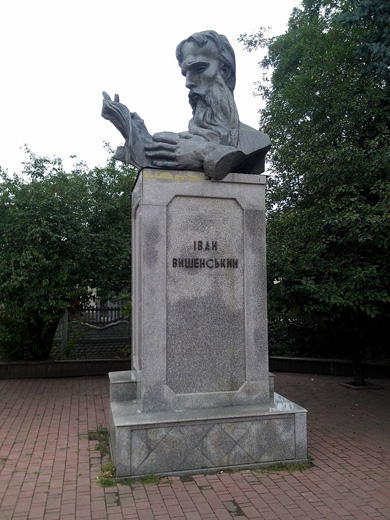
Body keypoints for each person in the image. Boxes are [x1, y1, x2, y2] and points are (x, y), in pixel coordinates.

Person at [102, 30, 270, 180]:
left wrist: (205, 152)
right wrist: (135, 133)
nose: (188, 83)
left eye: (199, 69)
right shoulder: (184, 143)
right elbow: (157, 160)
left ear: (225, 72)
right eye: (185, 74)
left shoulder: (256, 142)